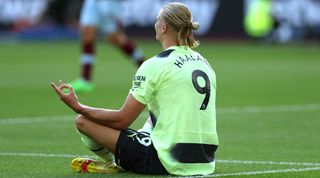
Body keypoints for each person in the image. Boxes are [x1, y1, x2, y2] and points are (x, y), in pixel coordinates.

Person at [51, 2, 219, 176]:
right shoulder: (204, 63)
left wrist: (78, 106)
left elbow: (121, 120)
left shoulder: (154, 64)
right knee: (154, 116)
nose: (154, 24)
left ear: (163, 28)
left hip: (166, 162)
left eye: (157, 20)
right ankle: (126, 154)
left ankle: (113, 162)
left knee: (83, 121)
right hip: (205, 161)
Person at [70, 0, 145, 92]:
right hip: (93, 2)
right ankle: (85, 80)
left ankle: (145, 66)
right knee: (87, 32)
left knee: (115, 38)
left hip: (109, 3)